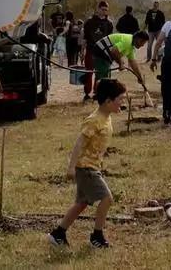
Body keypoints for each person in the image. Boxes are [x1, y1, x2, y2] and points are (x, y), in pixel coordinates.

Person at [48, 78, 127, 249]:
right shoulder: (94, 120)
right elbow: (79, 144)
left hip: (92, 166)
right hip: (86, 168)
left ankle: (58, 234)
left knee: (81, 203)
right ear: (108, 101)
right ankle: (97, 237)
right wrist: (71, 167)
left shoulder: (106, 117)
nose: (122, 102)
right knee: (106, 199)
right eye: (120, 99)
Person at [82, 2, 115, 102]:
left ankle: (98, 93)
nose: (104, 12)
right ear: (98, 9)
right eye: (102, 9)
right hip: (91, 50)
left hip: (103, 53)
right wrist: (82, 51)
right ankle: (87, 93)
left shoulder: (109, 24)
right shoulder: (89, 22)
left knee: (101, 73)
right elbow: (85, 39)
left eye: (106, 10)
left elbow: (110, 40)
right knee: (89, 72)